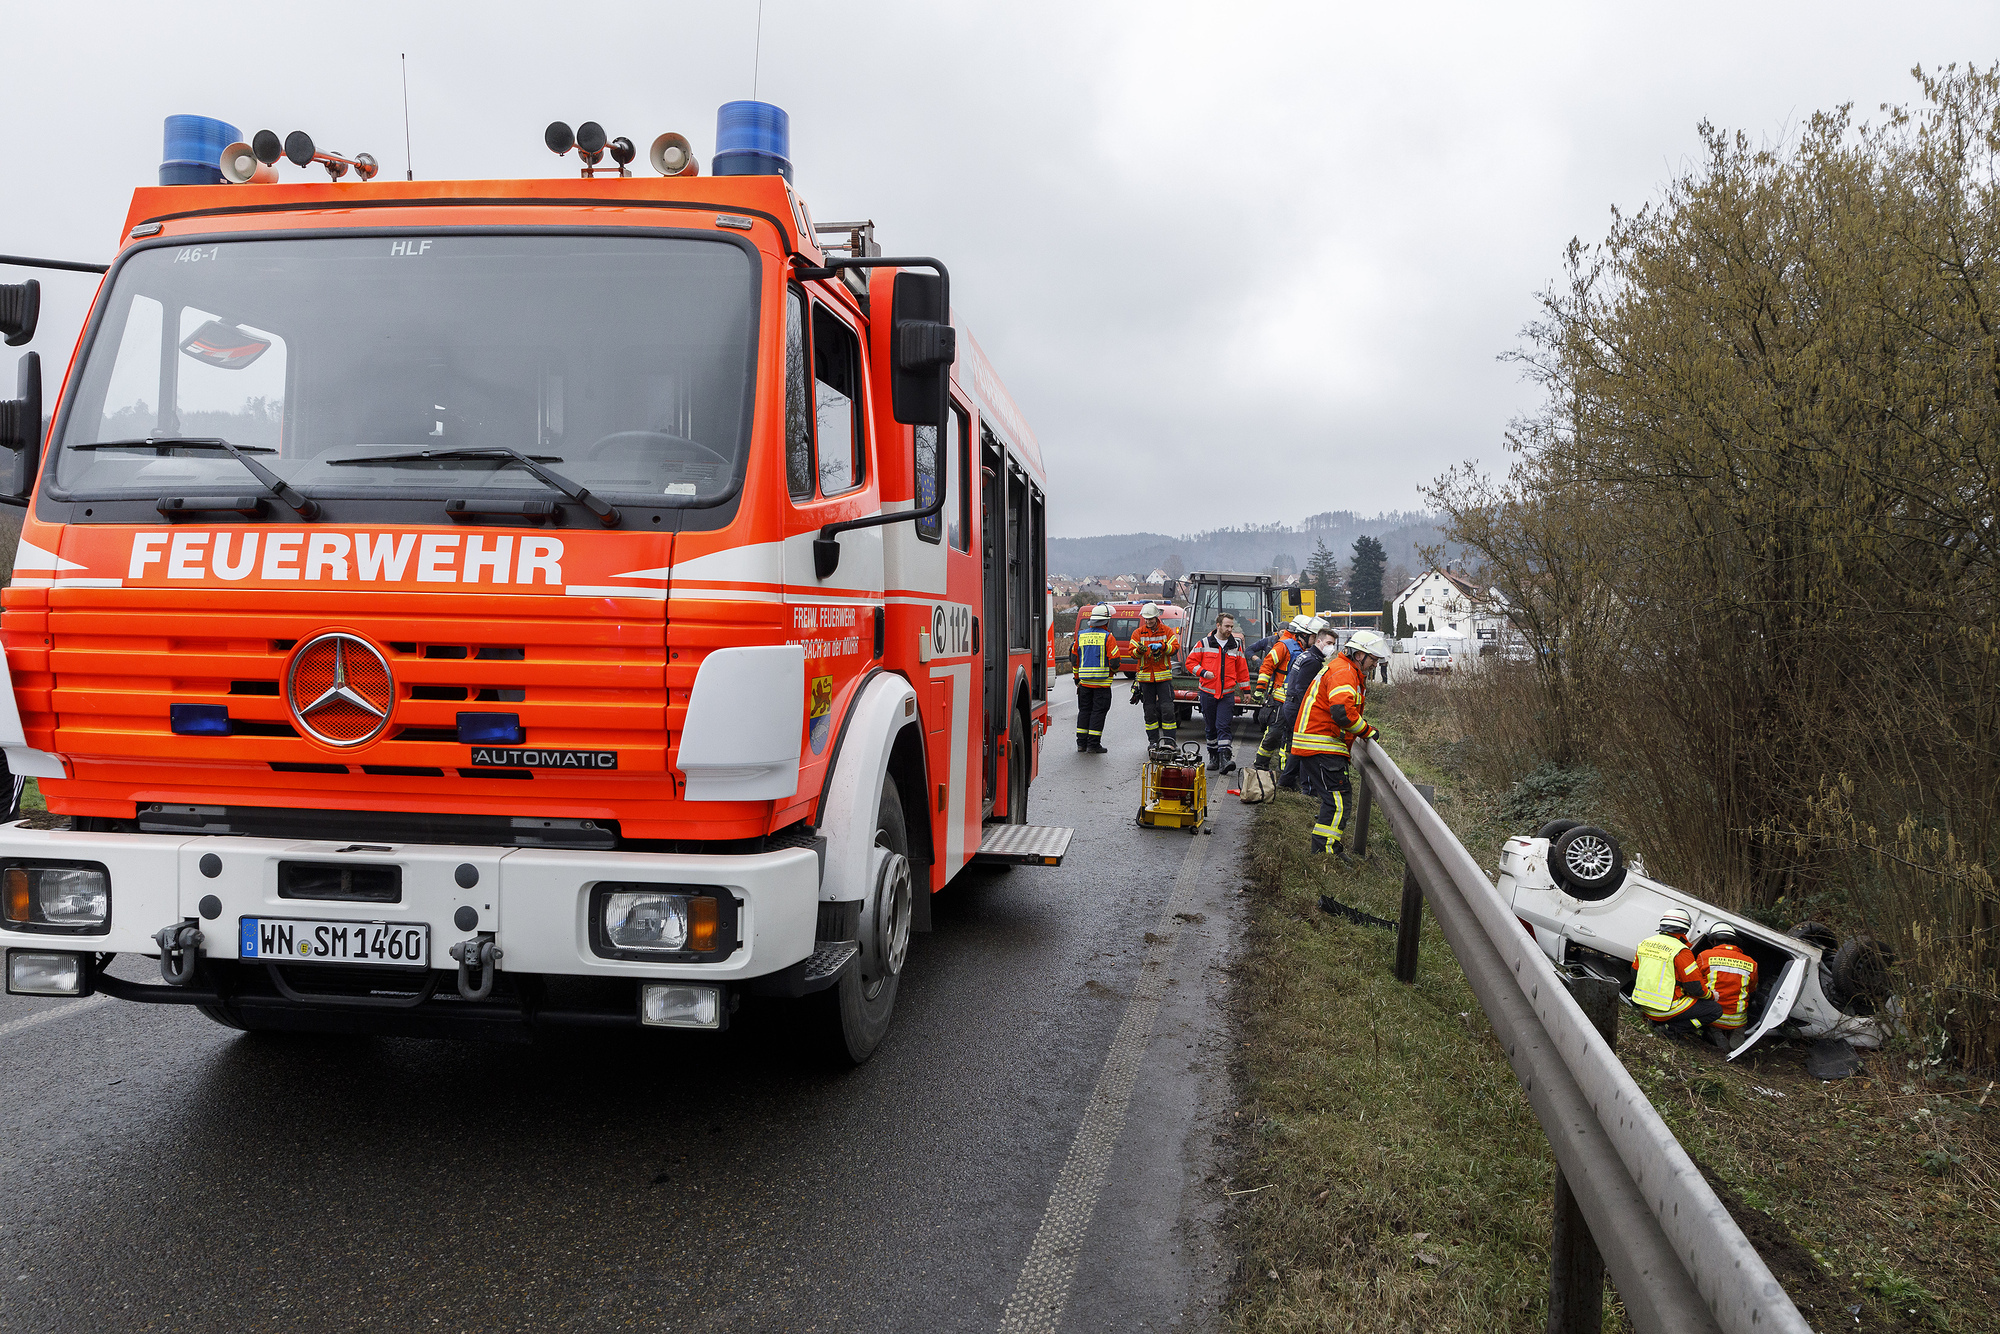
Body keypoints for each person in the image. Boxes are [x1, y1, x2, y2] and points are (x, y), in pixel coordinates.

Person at [1290, 627, 1389, 864]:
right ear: (1359, 655)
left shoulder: (1345, 669)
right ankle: (1325, 854)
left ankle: (1326, 849)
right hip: (1322, 743)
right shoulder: (1344, 672)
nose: (1375, 664)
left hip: (1320, 742)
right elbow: (1342, 712)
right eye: (1373, 659)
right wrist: (1367, 731)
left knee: (1335, 800)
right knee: (1337, 801)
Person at [1632, 907, 1724, 1039]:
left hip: (1642, 1004)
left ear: (1662, 925)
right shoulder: (1681, 951)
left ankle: (1657, 1022)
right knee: (1715, 1010)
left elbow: (1635, 973)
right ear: (1685, 930)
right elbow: (1695, 987)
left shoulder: (1645, 943)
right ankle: (1670, 1029)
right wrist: (1711, 996)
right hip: (1663, 1008)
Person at [1185, 612, 1249, 772]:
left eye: (1231, 627)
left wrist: (1246, 690)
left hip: (1226, 694)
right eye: (1227, 626)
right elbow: (1190, 662)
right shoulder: (1204, 643)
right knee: (1211, 726)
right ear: (1218, 625)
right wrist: (1203, 672)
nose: (1229, 629)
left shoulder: (1236, 646)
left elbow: (1242, 669)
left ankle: (1225, 758)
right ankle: (1213, 756)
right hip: (1207, 693)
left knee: (1223, 725)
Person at [1271, 617, 1329, 790]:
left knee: (1297, 745)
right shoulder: (1312, 660)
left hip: (1291, 704)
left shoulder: (1305, 655)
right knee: (1303, 746)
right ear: (1313, 638)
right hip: (1297, 706)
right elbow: (1303, 689)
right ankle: (1304, 786)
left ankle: (1286, 780)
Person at [1253, 615, 1314, 772]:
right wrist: (1260, 688)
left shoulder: (1305, 649)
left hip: (1297, 701)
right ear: (1303, 634)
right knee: (1274, 734)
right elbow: (1267, 665)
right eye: (1312, 636)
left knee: (1290, 738)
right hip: (1280, 700)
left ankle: (1286, 773)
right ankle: (1260, 765)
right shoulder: (1284, 646)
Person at [1697, 922, 1760, 1049]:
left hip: (1712, 1014)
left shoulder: (1704, 956)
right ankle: (1738, 1030)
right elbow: (1752, 989)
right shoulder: (1751, 963)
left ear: (1714, 940)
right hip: (1738, 1019)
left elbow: (1695, 983)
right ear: (1734, 941)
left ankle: (1714, 1030)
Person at [1126, 603, 1181, 748]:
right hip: (1145, 679)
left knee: (1168, 711)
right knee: (1149, 712)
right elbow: (1132, 653)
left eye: (1151, 619)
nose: (1148, 621)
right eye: (1146, 619)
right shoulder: (1138, 633)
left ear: (1157, 617)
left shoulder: (1167, 631)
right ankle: (1153, 742)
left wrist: (1162, 647)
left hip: (1163, 678)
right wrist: (1140, 650)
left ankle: (1170, 742)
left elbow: (1175, 648)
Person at [1072, 603, 1115, 753]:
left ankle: (1081, 744)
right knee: (1098, 712)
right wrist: (1111, 671)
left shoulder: (1081, 635)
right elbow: (1115, 661)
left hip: (1084, 684)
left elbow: (1074, 658)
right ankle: (1093, 745)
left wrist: (1077, 678)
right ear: (1106, 621)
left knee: (1084, 711)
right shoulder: (1108, 637)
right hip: (1102, 685)